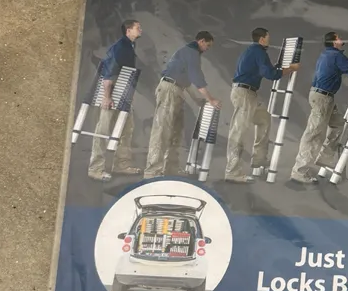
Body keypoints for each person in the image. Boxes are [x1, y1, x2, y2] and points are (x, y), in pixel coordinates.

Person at [290, 31, 348, 184]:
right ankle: (299, 172)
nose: (341, 39)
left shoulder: (327, 54)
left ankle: (324, 158)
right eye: (338, 38)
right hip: (323, 98)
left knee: (338, 124)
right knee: (313, 134)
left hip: (323, 97)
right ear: (334, 42)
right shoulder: (336, 55)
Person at [226, 28, 300, 183]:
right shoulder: (258, 52)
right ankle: (232, 172)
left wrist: (279, 67)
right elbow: (270, 74)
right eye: (268, 37)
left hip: (246, 93)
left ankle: (259, 159)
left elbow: (268, 70)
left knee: (264, 119)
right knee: (238, 132)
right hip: (245, 94)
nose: (269, 40)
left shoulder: (252, 51)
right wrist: (291, 69)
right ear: (261, 39)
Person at [144, 31, 221, 179]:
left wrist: (197, 99)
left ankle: (170, 168)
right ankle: (152, 171)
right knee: (162, 131)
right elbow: (196, 78)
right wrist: (210, 99)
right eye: (208, 45)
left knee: (175, 131)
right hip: (169, 90)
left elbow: (187, 81)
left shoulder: (189, 53)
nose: (208, 49)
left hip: (177, 90)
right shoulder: (191, 53)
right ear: (201, 41)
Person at [89, 19, 142, 182]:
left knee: (127, 129)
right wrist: (107, 97)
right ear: (128, 30)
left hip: (123, 92)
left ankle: (121, 165)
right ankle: (95, 169)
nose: (140, 30)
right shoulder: (120, 47)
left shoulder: (129, 46)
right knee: (103, 130)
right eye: (138, 28)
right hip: (112, 91)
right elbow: (109, 73)